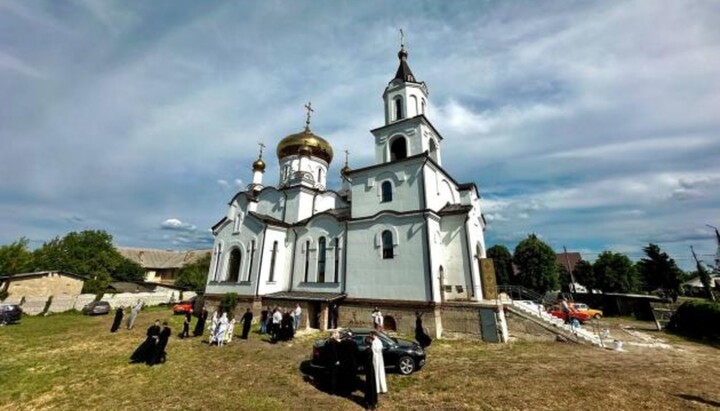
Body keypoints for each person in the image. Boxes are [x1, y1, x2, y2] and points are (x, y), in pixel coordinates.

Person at [338, 331, 359, 395]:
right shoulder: (354, 344)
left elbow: (340, 353)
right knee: (352, 377)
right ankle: (352, 388)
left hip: (344, 363)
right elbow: (357, 354)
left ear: (346, 337)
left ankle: (344, 390)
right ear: (351, 337)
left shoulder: (342, 343)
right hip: (352, 363)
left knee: (344, 377)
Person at [362, 336, 378, 410]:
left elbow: (365, 362)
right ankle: (373, 402)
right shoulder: (370, 350)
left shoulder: (367, 351)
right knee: (372, 384)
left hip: (368, 369)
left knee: (369, 385)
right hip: (371, 368)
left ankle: (369, 402)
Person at [327, 331, 341, 395]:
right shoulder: (332, 342)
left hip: (330, 361)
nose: (338, 336)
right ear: (334, 334)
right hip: (333, 362)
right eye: (337, 335)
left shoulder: (330, 341)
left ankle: (331, 390)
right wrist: (336, 361)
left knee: (332, 375)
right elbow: (334, 352)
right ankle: (332, 391)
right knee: (333, 376)